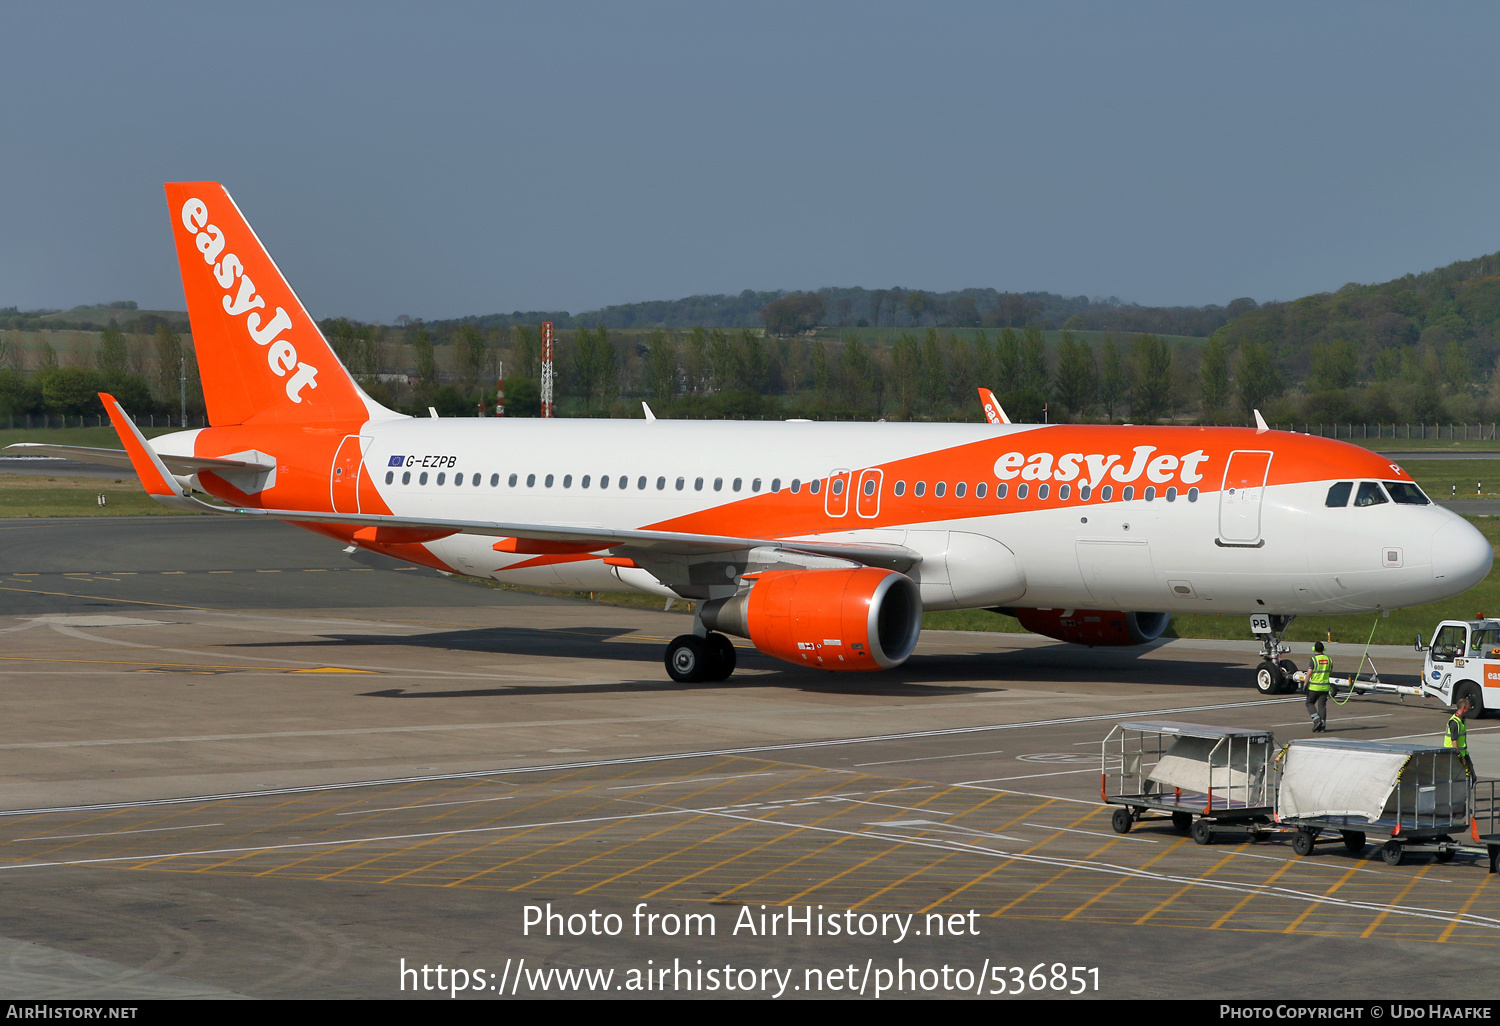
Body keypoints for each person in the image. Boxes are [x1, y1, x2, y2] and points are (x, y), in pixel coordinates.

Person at [1445, 695, 1477, 778]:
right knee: (1460, 777)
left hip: (1464, 754)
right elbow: (1454, 741)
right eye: (1469, 706)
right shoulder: (1455, 722)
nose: (1470, 708)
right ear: (1464, 707)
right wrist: (1459, 757)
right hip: (1455, 755)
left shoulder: (1462, 719)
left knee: (1472, 776)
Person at [1306, 641, 1332, 732]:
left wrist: (1305, 684)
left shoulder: (1313, 660)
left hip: (1314, 687)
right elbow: (1330, 672)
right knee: (1322, 706)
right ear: (1323, 649)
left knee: (1309, 703)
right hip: (1325, 687)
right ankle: (1323, 727)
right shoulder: (1329, 659)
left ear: (1314, 649)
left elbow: (1309, 674)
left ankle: (1317, 720)